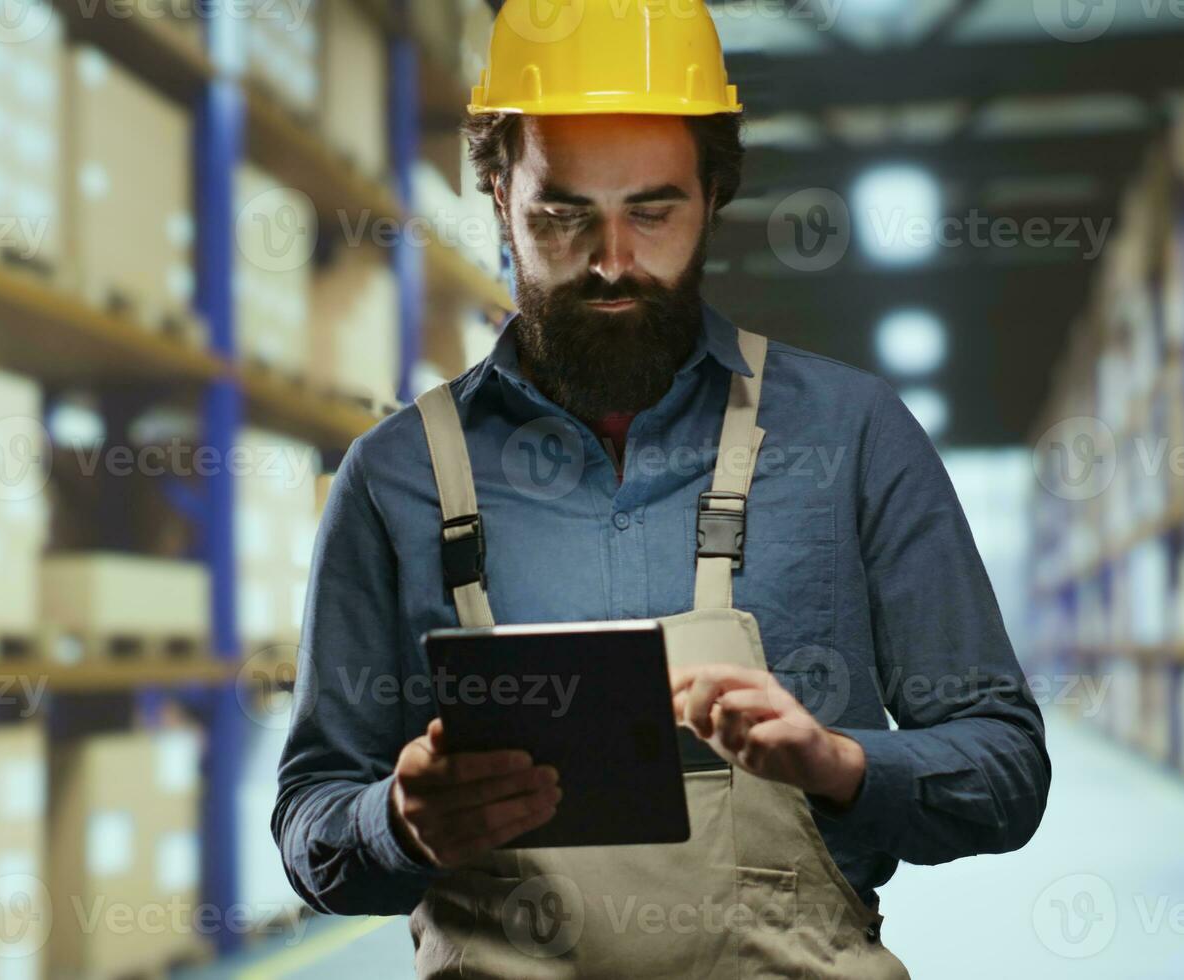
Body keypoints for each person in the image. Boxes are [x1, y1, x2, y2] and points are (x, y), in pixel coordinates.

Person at [274, 2, 1050, 975]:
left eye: (653, 209)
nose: (611, 261)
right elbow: (312, 820)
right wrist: (397, 822)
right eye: (562, 213)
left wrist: (841, 763)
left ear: (715, 193)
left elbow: (1006, 767)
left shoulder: (850, 435)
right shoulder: (395, 476)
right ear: (498, 191)